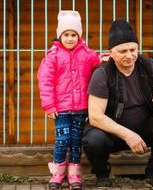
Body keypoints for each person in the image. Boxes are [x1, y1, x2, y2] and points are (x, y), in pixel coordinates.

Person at [82, 19, 153, 189]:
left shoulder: (147, 64)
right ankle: (102, 173)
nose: (129, 55)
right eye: (123, 51)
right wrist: (128, 135)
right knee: (93, 139)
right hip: (112, 135)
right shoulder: (102, 74)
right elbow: (95, 117)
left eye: (133, 49)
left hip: (143, 130)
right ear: (111, 52)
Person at [37, 10, 104, 190]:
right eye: (66, 35)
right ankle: (58, 172)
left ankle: (74, 173)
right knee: (62, 139)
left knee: (76, 141)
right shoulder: (53, 56)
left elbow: (97, 61)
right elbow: (45, 81)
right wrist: (49, 105)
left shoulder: (87, 53)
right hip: (62, 108)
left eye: (74, 35)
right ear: (60, 36)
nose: (70, 38)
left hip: (81, 107)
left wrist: (105, 58)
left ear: (78, 36)